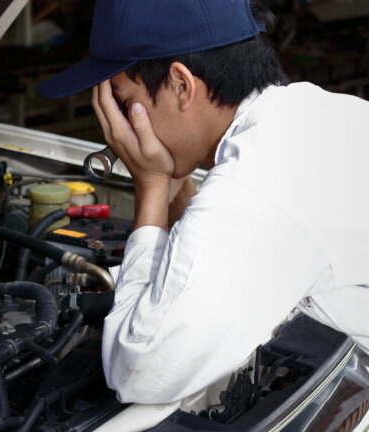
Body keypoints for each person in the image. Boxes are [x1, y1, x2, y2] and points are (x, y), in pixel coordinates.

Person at [37, 0, 369, 404]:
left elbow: (141, 374)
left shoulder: (259, 183)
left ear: (181, 85)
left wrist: (153, 186)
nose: (117, 133)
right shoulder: (306, 116)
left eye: (124, 105)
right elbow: (205, 248)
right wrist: (173, 184)